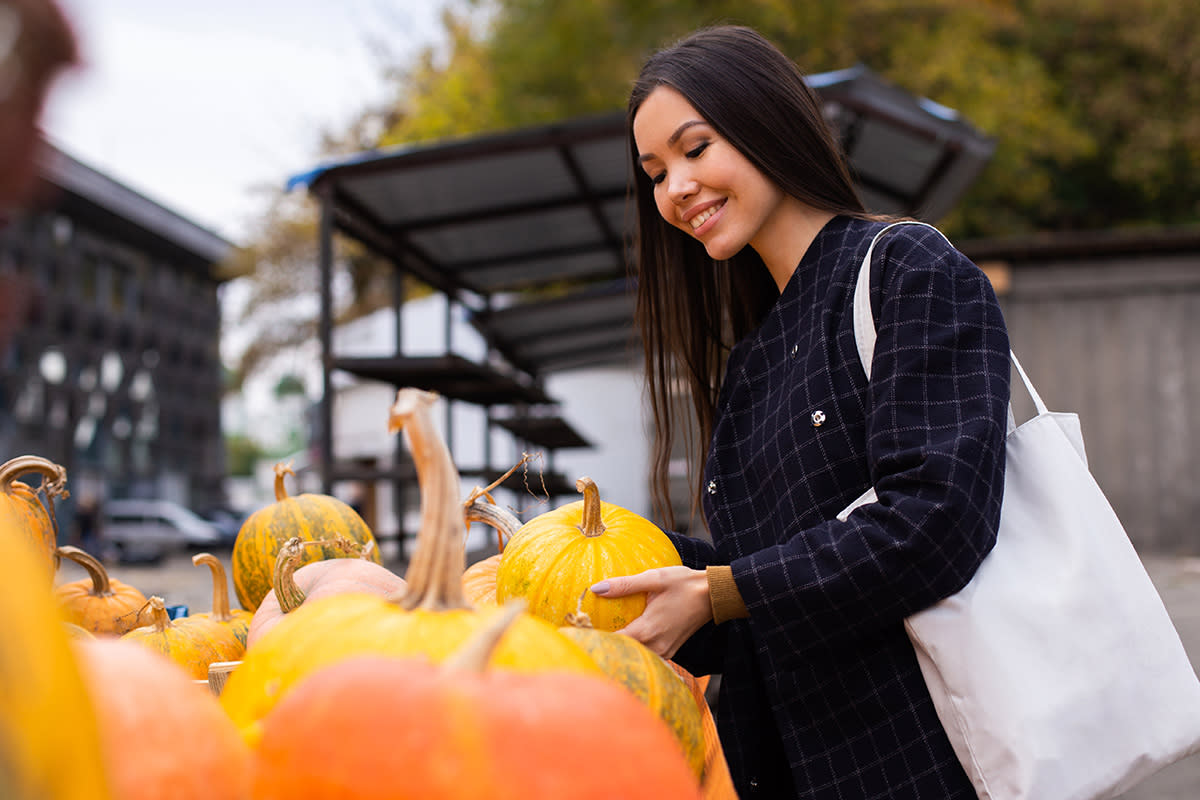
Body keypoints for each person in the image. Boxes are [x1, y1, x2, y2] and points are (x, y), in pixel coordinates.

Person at [589, 26, 1010, 798]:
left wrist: (721, 590)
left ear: (766, 123)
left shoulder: (908, 270)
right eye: (655, 173)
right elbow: (770, 584)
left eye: (695, 148)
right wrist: (593, 554)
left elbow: (936, 522)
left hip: (918, 764)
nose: (675, 188)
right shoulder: (751, 356)